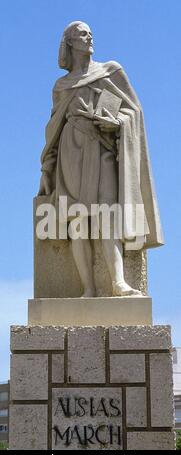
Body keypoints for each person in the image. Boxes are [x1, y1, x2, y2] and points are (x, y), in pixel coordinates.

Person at [38, 21, 163, 297]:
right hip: (70, 156)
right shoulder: (61, 86)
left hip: (102, 150)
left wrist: (116, 122)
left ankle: (118, 282)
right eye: (82, 33)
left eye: (90, 32)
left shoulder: (111, 71)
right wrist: (47, 170)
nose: (89, 36)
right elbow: (53, 131)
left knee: (108, 217)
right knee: (79, 222)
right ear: (70, 43)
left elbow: (134, 112)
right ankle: (89, 290)